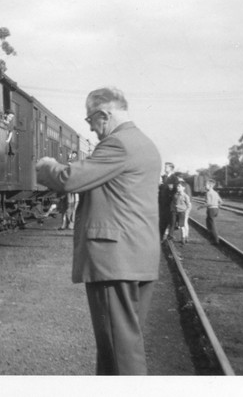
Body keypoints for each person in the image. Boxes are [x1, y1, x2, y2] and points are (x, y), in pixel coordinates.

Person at [36, 86, 160, 375]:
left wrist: (48, 166)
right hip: (139, 258)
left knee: (121, 354)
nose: (91, 129)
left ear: (105, 113)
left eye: (91, 120)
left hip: (115, 260)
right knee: (118, 348)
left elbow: (68, 179)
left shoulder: (118, 144)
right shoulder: (145, 144)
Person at [158, 162, 177, 241]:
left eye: (166, 167)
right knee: (161, 222)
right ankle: (160, 238)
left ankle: (169, 237)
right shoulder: (162, 177)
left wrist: (162, 185)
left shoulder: (174, 178)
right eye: (165, 167)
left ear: (171, 169)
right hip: (161, 203)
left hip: (170, 204)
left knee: (170, 221)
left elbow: (175, 190)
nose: (164, 169)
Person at [201, 179, 222, 245]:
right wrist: (216, 206)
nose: (205, 186)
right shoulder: (215, 193)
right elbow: (221, 202)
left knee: (212, 225)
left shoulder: (208, 193)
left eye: (206, 185)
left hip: (211, 210)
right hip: (216, 209)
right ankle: (211, 236)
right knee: (208, 221)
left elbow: (208, 203)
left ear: (210, 186)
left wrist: (201, 206)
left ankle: (216, 240)